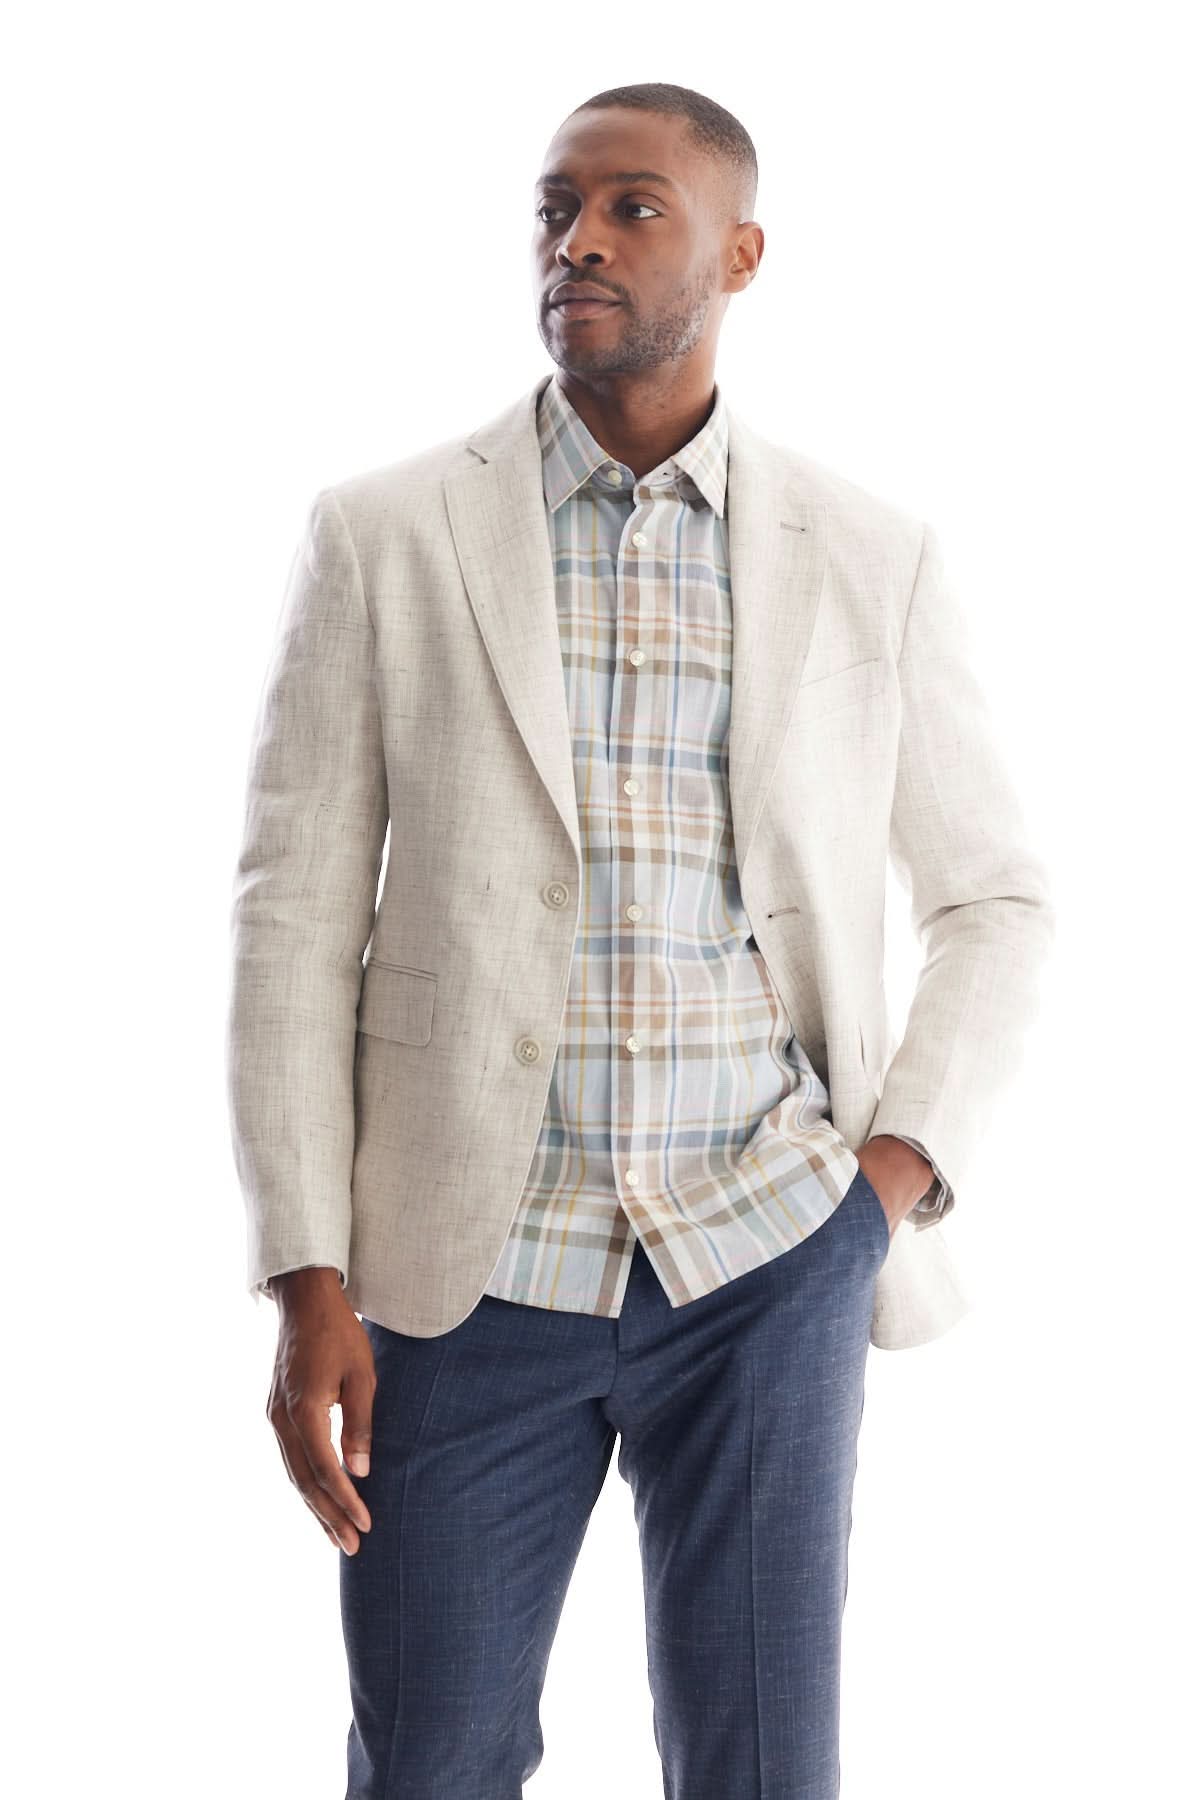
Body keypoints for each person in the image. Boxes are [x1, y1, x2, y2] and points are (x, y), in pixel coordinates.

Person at [225, 81, 1055, 1800]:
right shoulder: (386, 534)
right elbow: (292, 921)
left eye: (632, 208)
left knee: (759, 1767)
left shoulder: (866, 554)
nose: (579, 243)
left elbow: (992, 898)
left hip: (764, 1255)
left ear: (739, 255)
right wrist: (306, 1273)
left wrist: (881, 1183)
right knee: (431, 1761)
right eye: (556, 209)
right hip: (461, 1276)